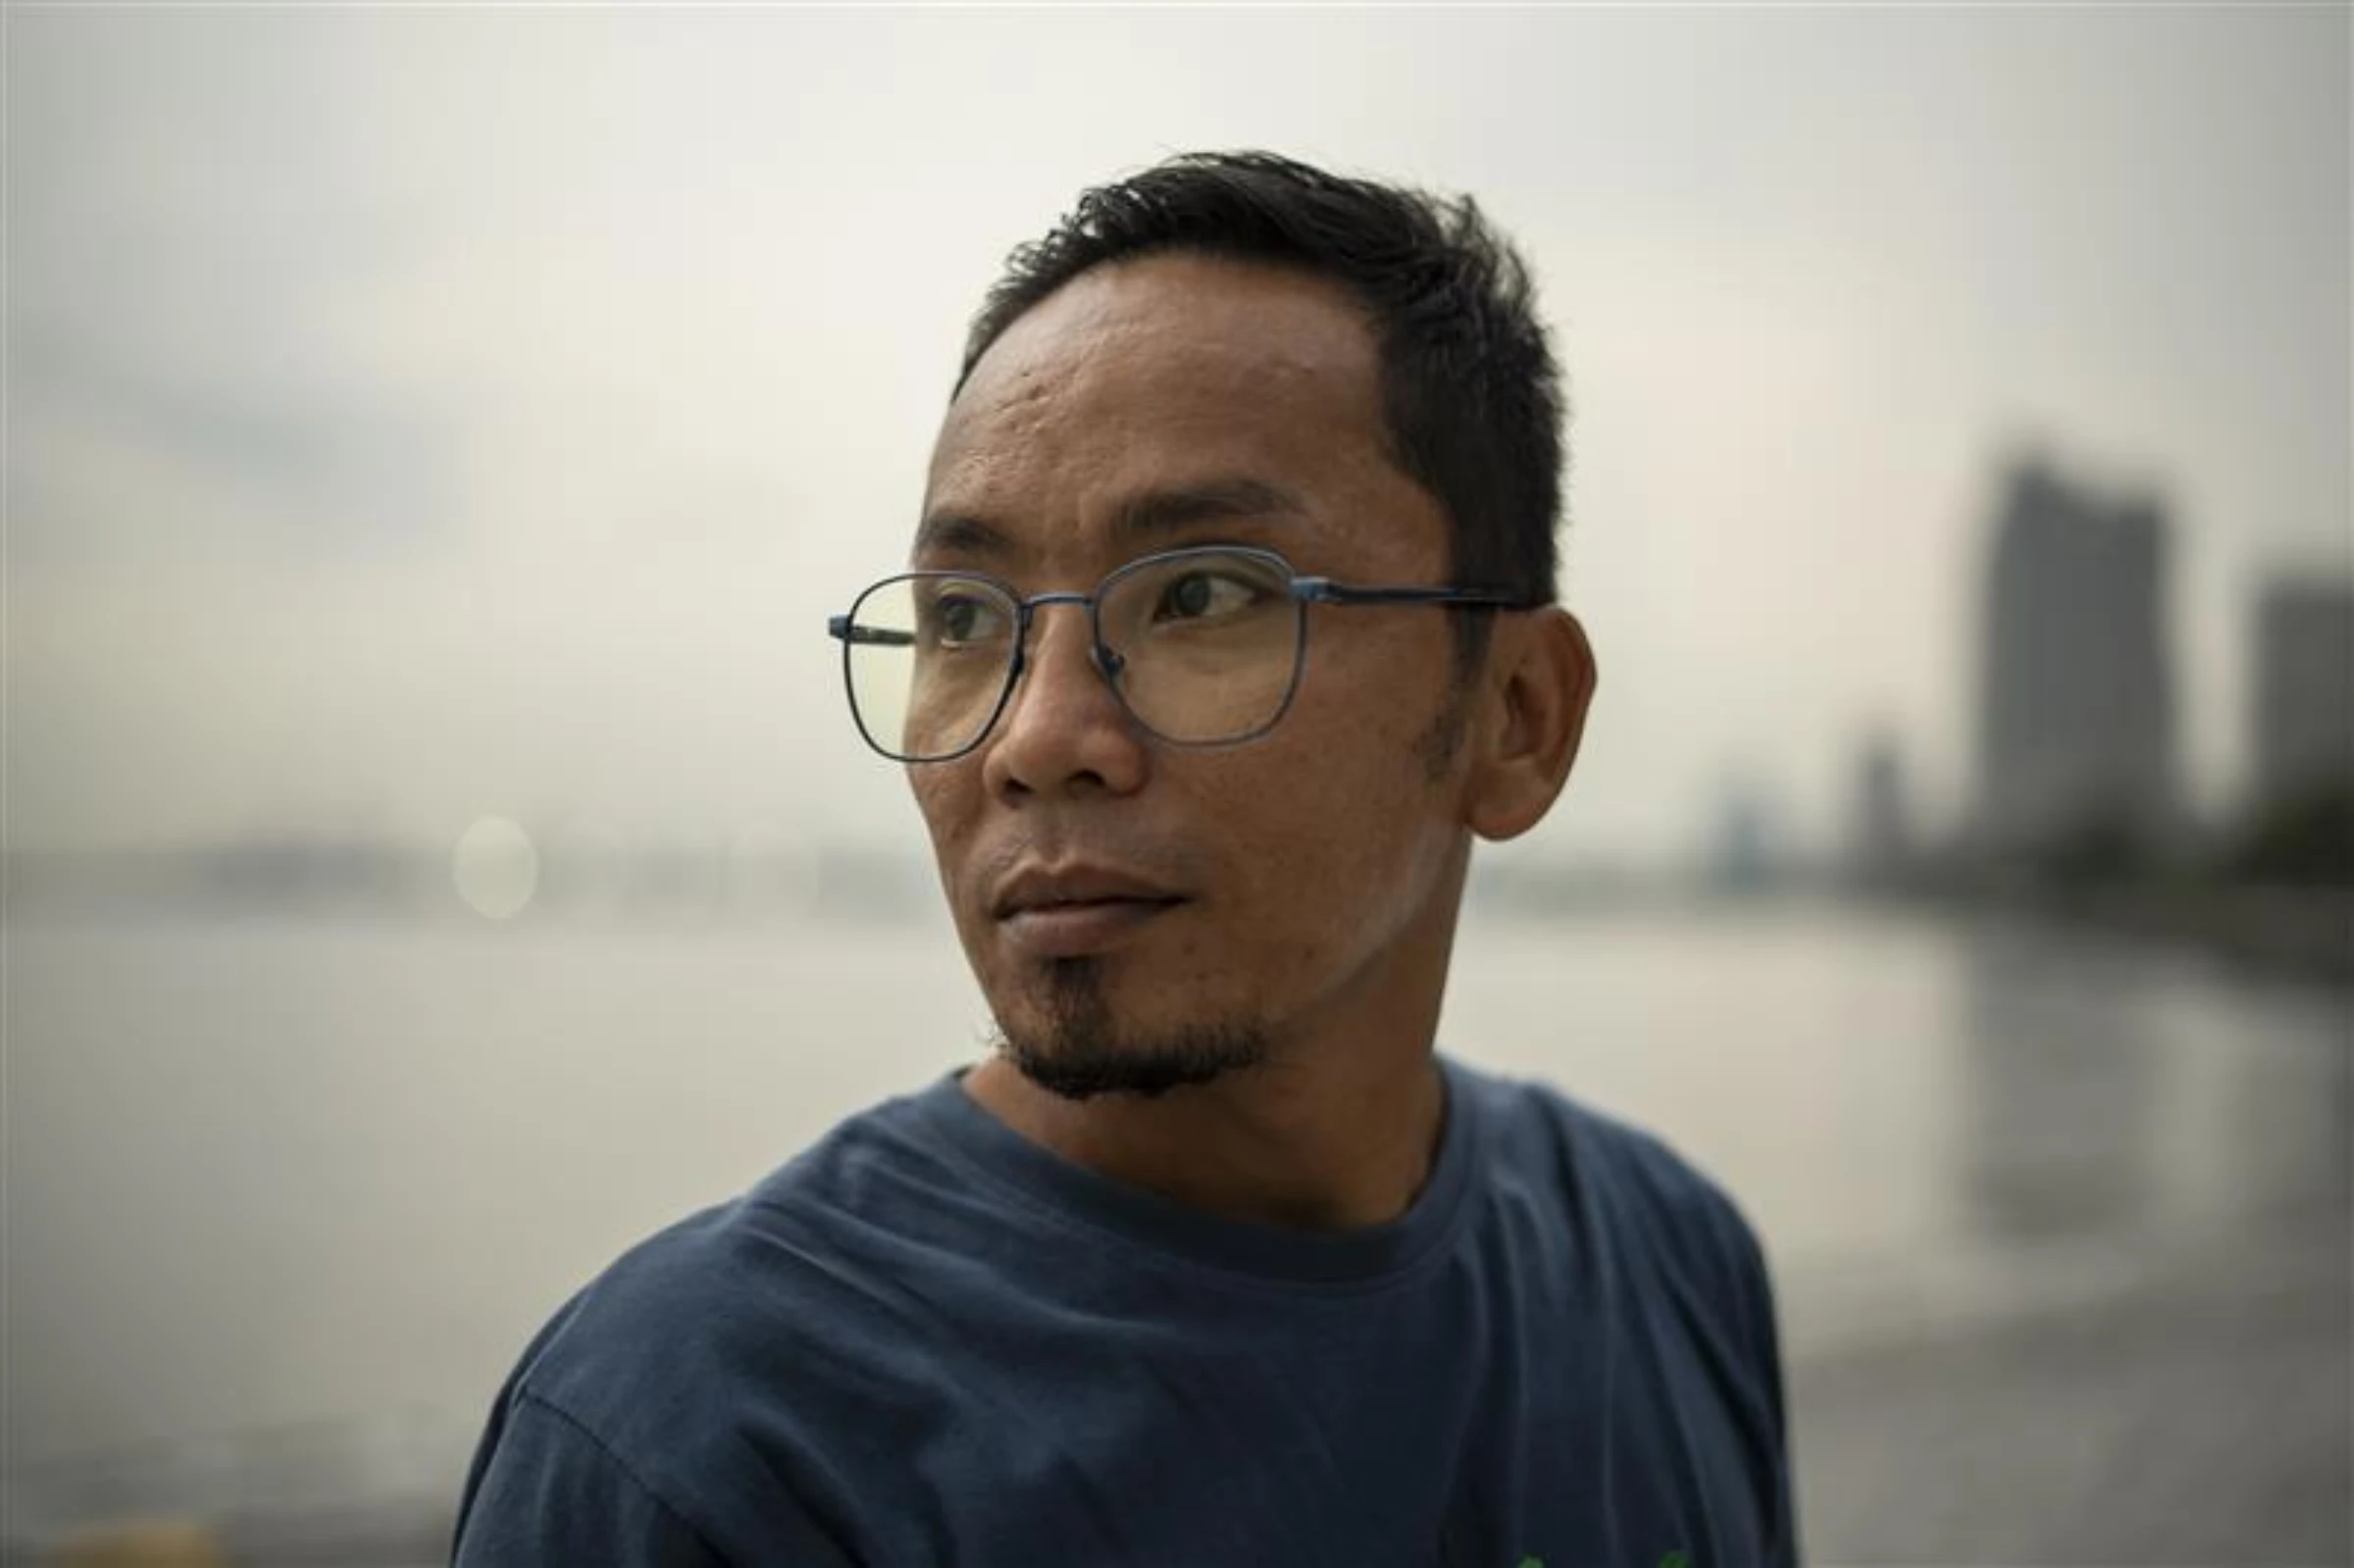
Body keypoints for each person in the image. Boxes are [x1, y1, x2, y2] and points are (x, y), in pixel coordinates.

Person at [452, 150, 1799, 1568]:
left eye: (1201, 594)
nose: (1033, 740)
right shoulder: (713, 1450)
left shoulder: (1663, 1259)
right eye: (963, 618)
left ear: (1516, 718)